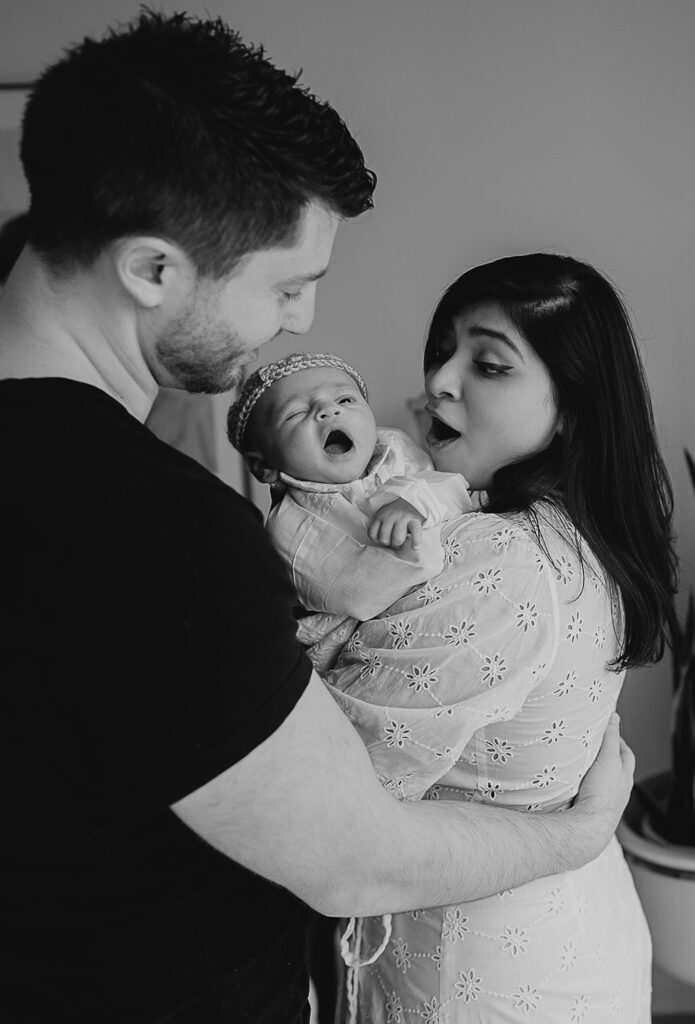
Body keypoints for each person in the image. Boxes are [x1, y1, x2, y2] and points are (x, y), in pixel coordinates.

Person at [0, 10, 635, 1023]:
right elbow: (351, 859)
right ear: (151, 269)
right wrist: (574, 832)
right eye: (287, 286)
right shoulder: (157, 529)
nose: (299, 325)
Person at [314, 253, 677, 1023]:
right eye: (442, 351)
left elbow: (328, 788)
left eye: (487, 364)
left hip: (479, 967)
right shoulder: (582, 536)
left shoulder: (500, 556)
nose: (440, 380)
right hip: (575, 926)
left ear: (571, 408)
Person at [227, 349, 473, 669]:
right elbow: (366, 590)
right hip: (359, 654)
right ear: (264, 468)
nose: (328, 410)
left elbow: (455, 488)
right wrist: (423, 524)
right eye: (296, 413)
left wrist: (414, 499)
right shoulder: (291, 530)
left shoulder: (393, 448)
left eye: (345, 400)